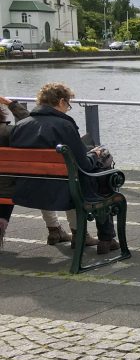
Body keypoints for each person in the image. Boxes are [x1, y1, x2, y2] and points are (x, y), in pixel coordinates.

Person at [9, 83, 120, 254]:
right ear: (61, 101)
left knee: (55, 175)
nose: (68, 109)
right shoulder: (64, 125)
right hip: (65, 190)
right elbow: (83, 165)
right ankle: (105, 238)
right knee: (103, 173)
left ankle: (58, 230)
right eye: (68, 105)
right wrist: (96, 154)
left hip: (30, 188)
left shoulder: (20, 126)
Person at [0, 96, 76, 248]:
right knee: (40, 177)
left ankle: (54, 229)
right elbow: (34, 123)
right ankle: (76, 233)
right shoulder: (9, 132)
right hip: (15, 189)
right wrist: (12, 105)